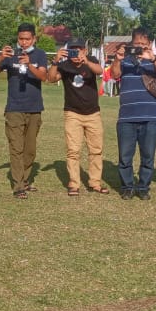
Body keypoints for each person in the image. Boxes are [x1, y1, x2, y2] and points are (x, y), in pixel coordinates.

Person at [0, 22, 50, 199]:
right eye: (21, 39)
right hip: (14, 108)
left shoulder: (40, 54)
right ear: (17, 38)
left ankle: (25, 179)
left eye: (27, 39)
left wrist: (30, 65)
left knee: (30, 150)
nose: (24, 42)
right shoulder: (10, 55)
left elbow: (44, 77)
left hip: (34, 109)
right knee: (16, 148)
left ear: (34, 39)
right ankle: (18, 186)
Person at [110, 27, 156, 200]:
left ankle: (143, 187)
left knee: (148, 156)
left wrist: (153, 57)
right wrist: (118, 58)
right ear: (131, 43)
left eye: (143, 43)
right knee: (125, 156)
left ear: (149, 43)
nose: (140, 46)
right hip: (127, 117)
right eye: (137, 43)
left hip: (150, 116)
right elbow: (114, 74)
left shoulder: (153, 60)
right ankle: (127, 187)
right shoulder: (125, 60)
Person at [47, 36, 107, 195]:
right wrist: (55, 61)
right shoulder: (64, 65)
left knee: (96, 150)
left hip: (93, 113)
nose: (75, 53)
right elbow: (51, 79)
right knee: (73, 151)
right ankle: (74, 184)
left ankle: (95, 182)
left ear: (84, 50)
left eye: (78, 49)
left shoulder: (91, 60)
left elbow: (100, 71)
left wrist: (86, 61)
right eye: (72, 50)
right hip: (72, 113)